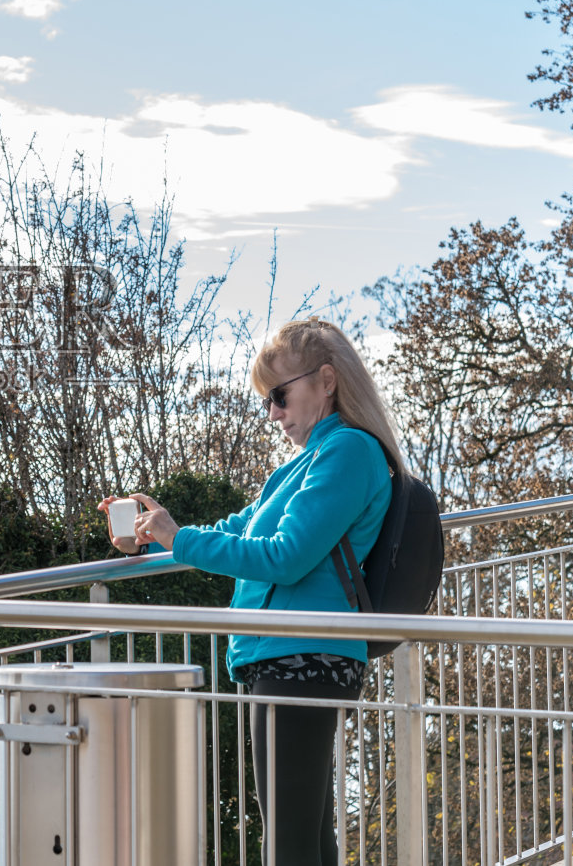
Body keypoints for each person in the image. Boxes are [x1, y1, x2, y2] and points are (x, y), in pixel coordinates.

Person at [97, 316, 398, 866]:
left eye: (279, 395)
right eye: (267, 401)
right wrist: (160, 535)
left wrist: (179, 539)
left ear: (327, 382)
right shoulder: (301, 466)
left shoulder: (348, 452)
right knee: (305, 834)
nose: (274, 414)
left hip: (304, 654)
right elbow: (237, 530)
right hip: (286, 653)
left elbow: (286, 557)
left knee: (288, 839)